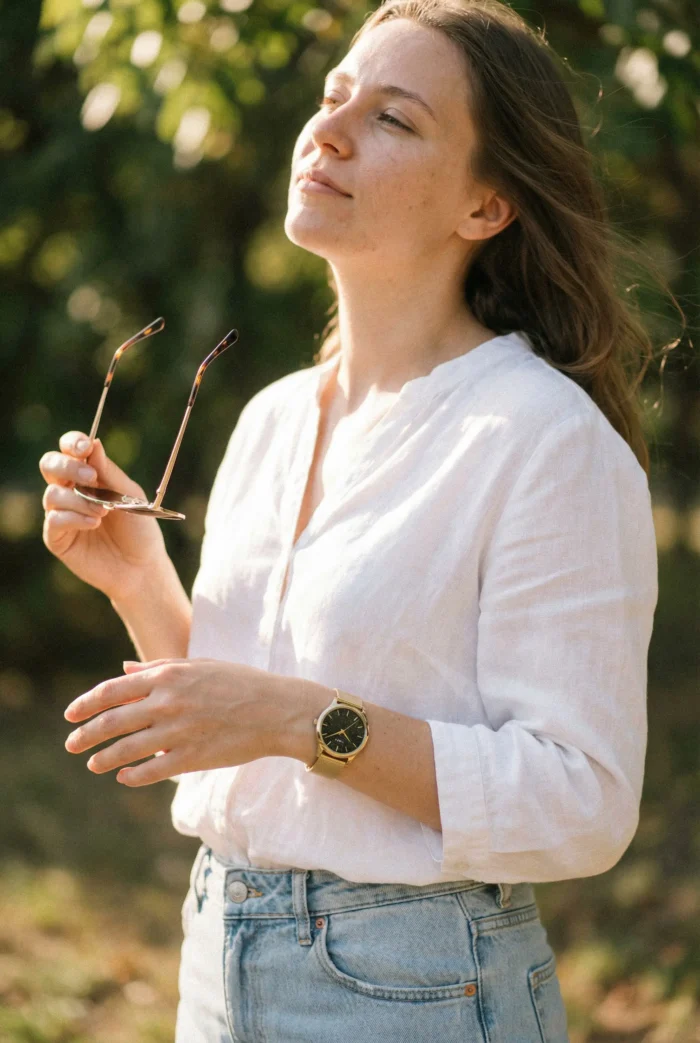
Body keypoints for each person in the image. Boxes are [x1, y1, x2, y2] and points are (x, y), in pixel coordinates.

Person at [39, 0, 660, 1039]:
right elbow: (241, 744)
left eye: (393, 120)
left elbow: (583, 799)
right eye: (333, 99)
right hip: (217, 960)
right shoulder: (274, 416)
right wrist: (142, 581)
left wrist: (300, 718)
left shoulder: (543, 438)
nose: (326, 131)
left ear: (486, 206)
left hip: (414, 988)